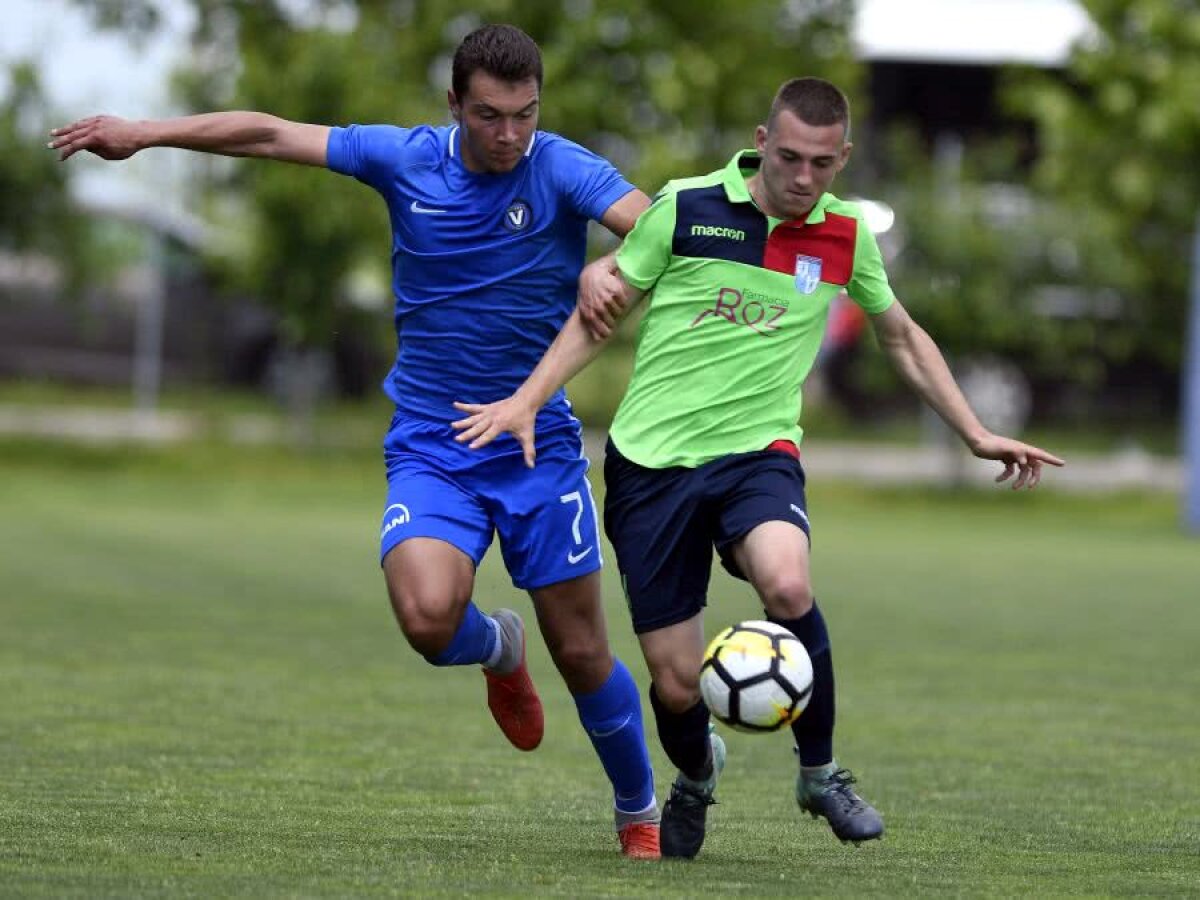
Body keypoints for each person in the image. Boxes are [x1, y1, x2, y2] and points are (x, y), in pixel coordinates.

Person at [50, 24, 663, 859]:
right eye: (490, 116)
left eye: (524, 114)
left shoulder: (560, 166)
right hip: (433, 441)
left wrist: (616, 264)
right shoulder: (402, 158)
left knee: (585, 649)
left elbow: (657, 224)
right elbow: (269, 133)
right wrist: (145, 132)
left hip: (534, 441)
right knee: (425, 617)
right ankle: (497, 648)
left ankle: (639, 812)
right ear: (454, 105)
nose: (510, 134)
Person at [450, 76, 1065, 859]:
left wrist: (975, 431)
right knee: (675, 686)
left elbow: (902, 337)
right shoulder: (686, 207)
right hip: (652, 467)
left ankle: (822, 773)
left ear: (842, 159)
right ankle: (698, 775)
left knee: (788, 583)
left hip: (757, 455)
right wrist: (528, 399)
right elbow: (595, 319)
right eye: (789, 157)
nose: (802, 178)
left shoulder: (846, 237)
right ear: (761, 141)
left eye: (820, 163)